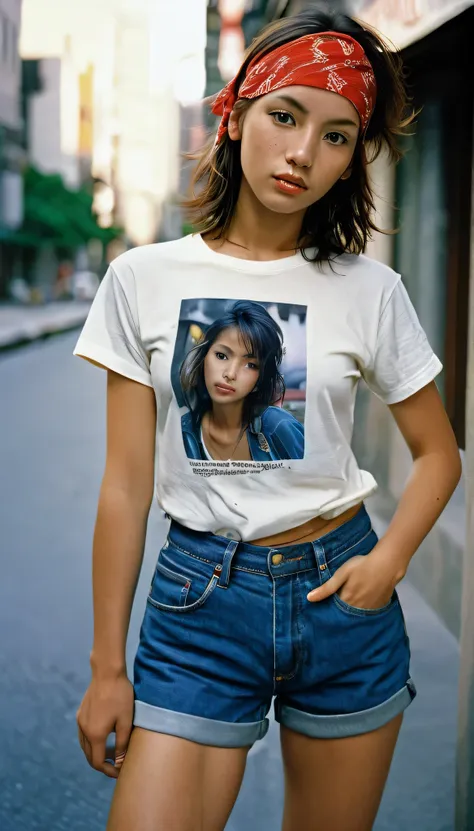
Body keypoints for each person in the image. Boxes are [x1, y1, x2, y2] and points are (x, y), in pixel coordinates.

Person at [72, 7, 462, 831]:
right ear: (236, 110)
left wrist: (387, 561)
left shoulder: (370, 288)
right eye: (286, 116)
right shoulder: (143, 276)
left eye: (337, 135)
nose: (302, 154)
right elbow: (124, 485)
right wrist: (109, 667)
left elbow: (438, 454)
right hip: (199, 607)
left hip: (342, 597)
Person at [179, 299, 305, 461]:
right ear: (203, 358)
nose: (230, 374)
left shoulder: (279, 427)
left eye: (251, 365)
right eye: (221, 356)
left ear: (260, 380)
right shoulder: (183, 431)